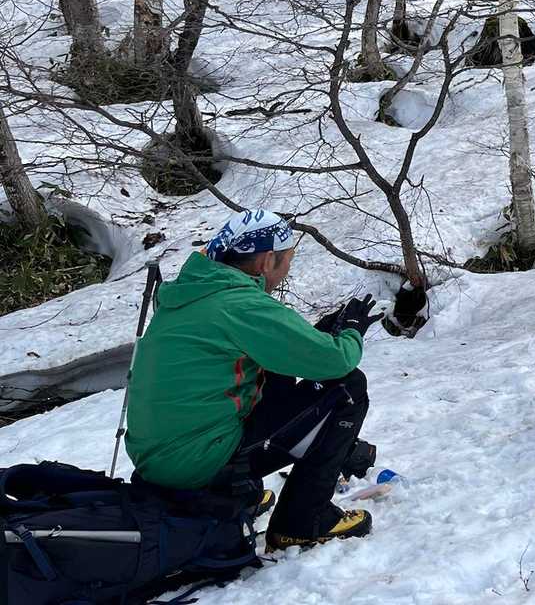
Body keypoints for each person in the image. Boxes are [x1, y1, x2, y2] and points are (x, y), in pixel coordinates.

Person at [125, 209, 385, 550]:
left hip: (156, 460)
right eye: (287, 259)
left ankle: (231, 490)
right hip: (195, 463)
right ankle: (302, 522)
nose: (287, 268)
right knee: (349, 387)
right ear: (265, 261)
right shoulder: (240, 303)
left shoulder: (192, 293)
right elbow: (336, 361)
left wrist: (316, 336)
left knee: (274, 369)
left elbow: (271, 351)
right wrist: (351, 332)